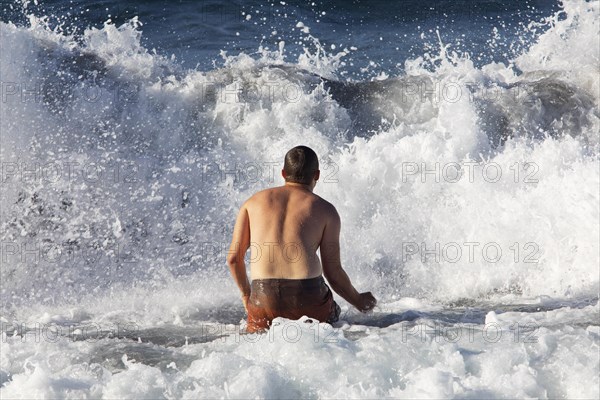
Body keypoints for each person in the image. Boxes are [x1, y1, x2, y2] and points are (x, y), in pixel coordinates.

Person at [226, 145, 377, 333]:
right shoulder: (326, 210)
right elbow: (333, 273)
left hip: (263, 299)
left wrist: (247, 296)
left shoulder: (252, 203)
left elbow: (233, 259)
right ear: (317, 175)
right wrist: (359, 301)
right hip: (308, 298)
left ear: (283, 173)